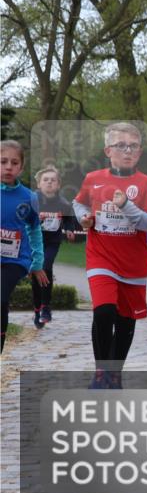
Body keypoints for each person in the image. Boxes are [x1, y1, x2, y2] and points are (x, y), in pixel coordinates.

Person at [73, 123, 147, 388]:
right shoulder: (93, 178)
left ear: (140, 151)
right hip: (100, 257)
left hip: (133, 264)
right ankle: (102, 372)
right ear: (108, 150)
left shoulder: (146, 183)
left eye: (133, 146)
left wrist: (127, 207)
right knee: (103, 312)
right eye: (121, 145)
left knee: (125, 321)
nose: (127, 150)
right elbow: (79, 202)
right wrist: (83, 218)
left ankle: (116, 372)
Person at [1, 141, 48, 352]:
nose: (8, 167)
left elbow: (35, 229)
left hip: (16, 260)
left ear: (21, 167)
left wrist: (37, 262)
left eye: (14, 162)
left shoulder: (29, 197)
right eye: (3, 162)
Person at [31, 165, 81, 327]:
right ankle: (37, 309)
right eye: (46, 180)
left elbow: (69, 219)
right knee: (36, 274)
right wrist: (37, 219)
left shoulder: (63, 203)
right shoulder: (33, 200)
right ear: (39, 184)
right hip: (35, 242)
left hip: (52, 241)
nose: (49, 183)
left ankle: (46, 307)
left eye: (53, 180)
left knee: (45, 267)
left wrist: (70, 230)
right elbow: (24, 218)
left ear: (59, 185)